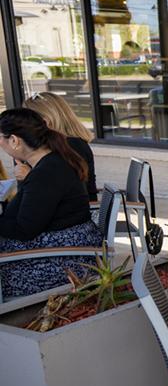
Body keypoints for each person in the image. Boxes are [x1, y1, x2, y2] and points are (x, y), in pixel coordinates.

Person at [0, 108, 101, 298]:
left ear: (14, 141)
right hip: (70, 250)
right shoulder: (52, 162)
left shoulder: (46, 172)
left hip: (62, 262)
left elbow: (25, 229)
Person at [23, 92, 98, 200]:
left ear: (46, 122)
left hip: (77, 212)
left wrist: (29, 176)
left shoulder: (72, 146)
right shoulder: (60, 144)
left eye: (27, 121)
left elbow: (61, 189)